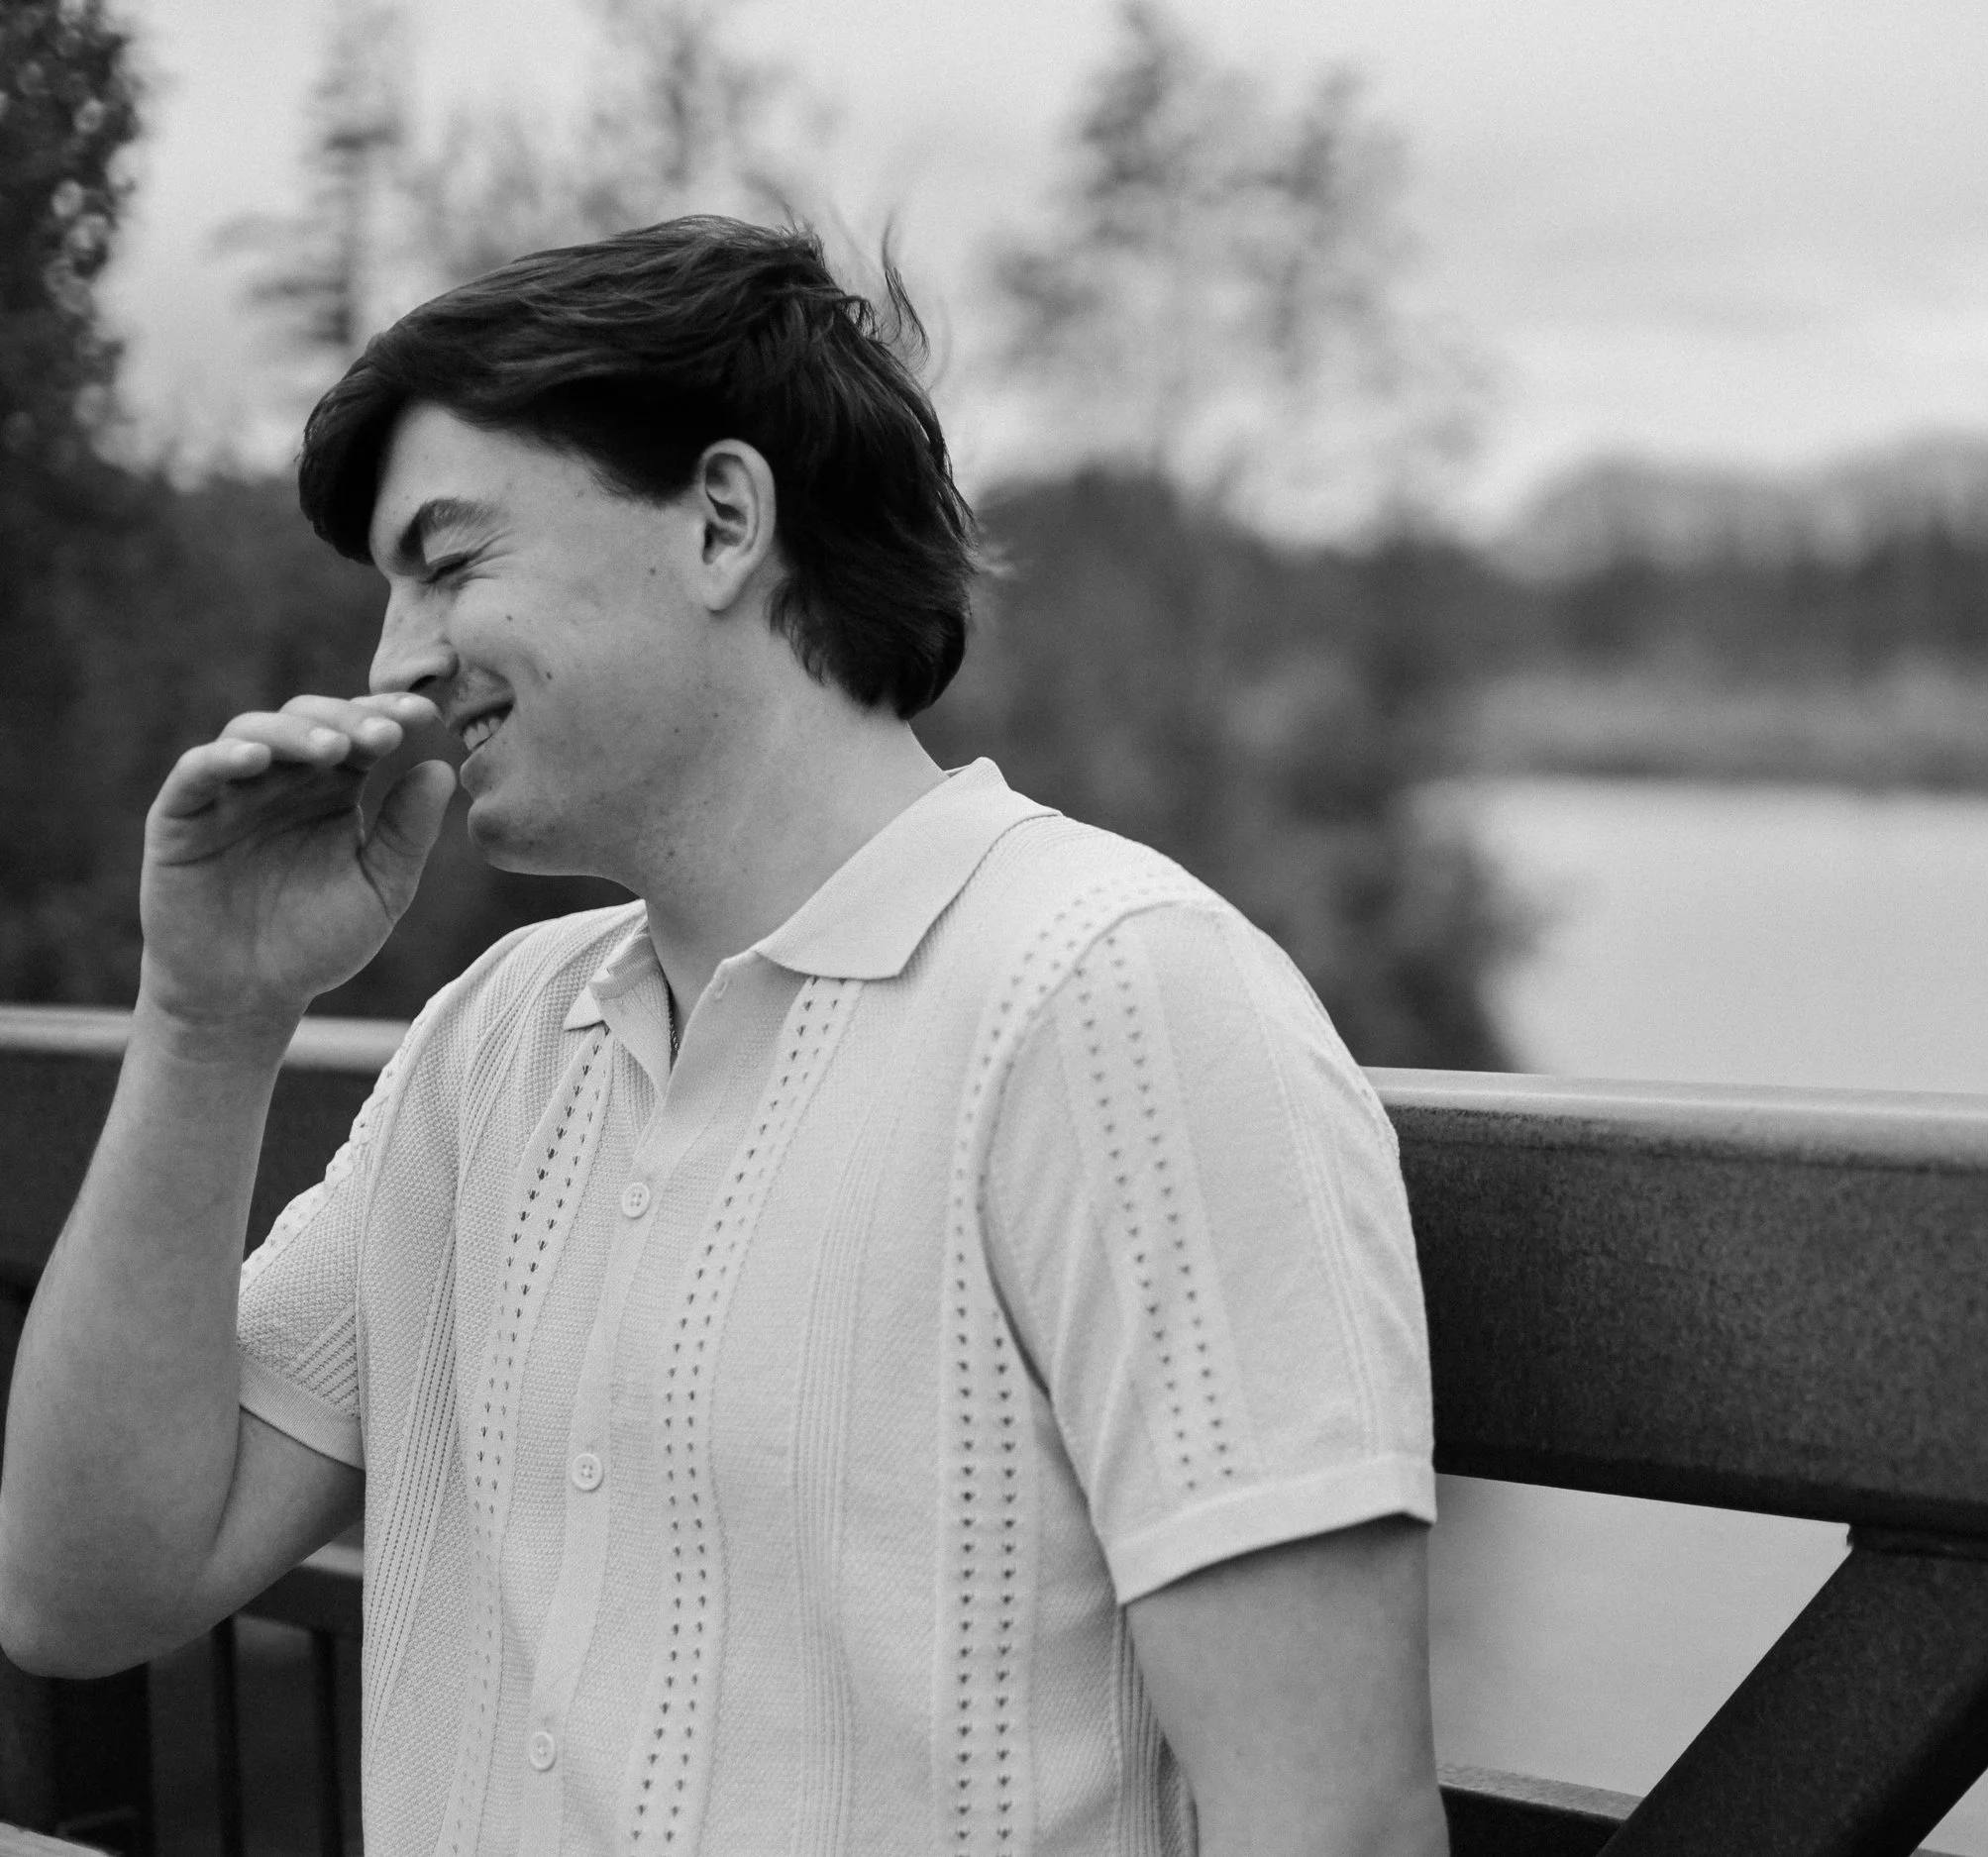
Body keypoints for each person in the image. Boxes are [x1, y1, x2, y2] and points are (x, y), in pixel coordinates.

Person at [0, 217, 1445, 1857]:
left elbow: (1337, 1825)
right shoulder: (494, 1044)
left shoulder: (1121, 1005)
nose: (394, 661)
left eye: (451, 560)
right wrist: (209, 1014)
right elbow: (76, 1586)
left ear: (723, 523)